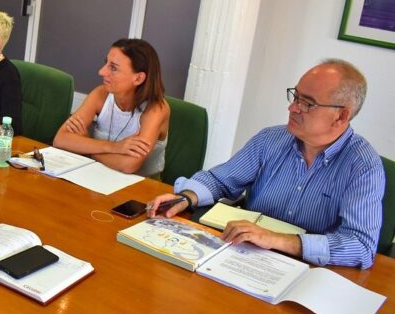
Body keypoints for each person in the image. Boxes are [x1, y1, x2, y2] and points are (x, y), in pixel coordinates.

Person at [147, 59, 385, 269]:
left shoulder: (363, 166)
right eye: (295, 96)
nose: (292, 108)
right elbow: (221, 179)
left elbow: (361, 246)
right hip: (245, 256)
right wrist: (187, 197)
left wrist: (275, 239)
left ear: (342, 115)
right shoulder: (271, 139)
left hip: (309, 272)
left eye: (307, 103)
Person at [53, 38, 169, 177]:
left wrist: (87, 146)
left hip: (142, 188)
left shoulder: (156, 109)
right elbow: (61, 139)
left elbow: (128, 165)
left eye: (113, 68)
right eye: (106, 63)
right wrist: (114, 147)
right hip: (97, 175)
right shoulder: (100, 94)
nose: (101, 72)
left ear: (138, 78)